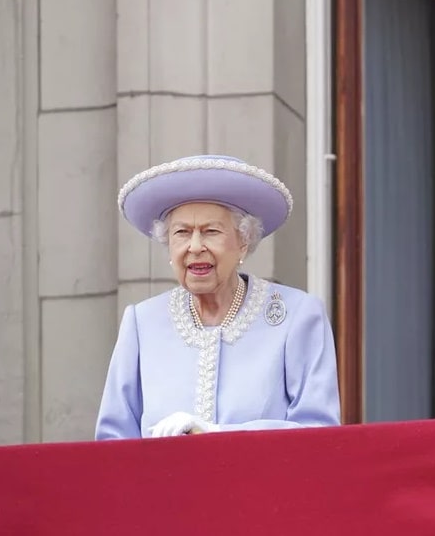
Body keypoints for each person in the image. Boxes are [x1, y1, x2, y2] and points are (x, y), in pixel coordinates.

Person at [95, 154, 342, 439]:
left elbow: (318, 434)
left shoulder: (297, 316)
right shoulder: (142, 323)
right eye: (182, 233)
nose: (195, 246)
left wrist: (215, 434)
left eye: (211, 231)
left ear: (243, 242)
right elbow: (112, 443)